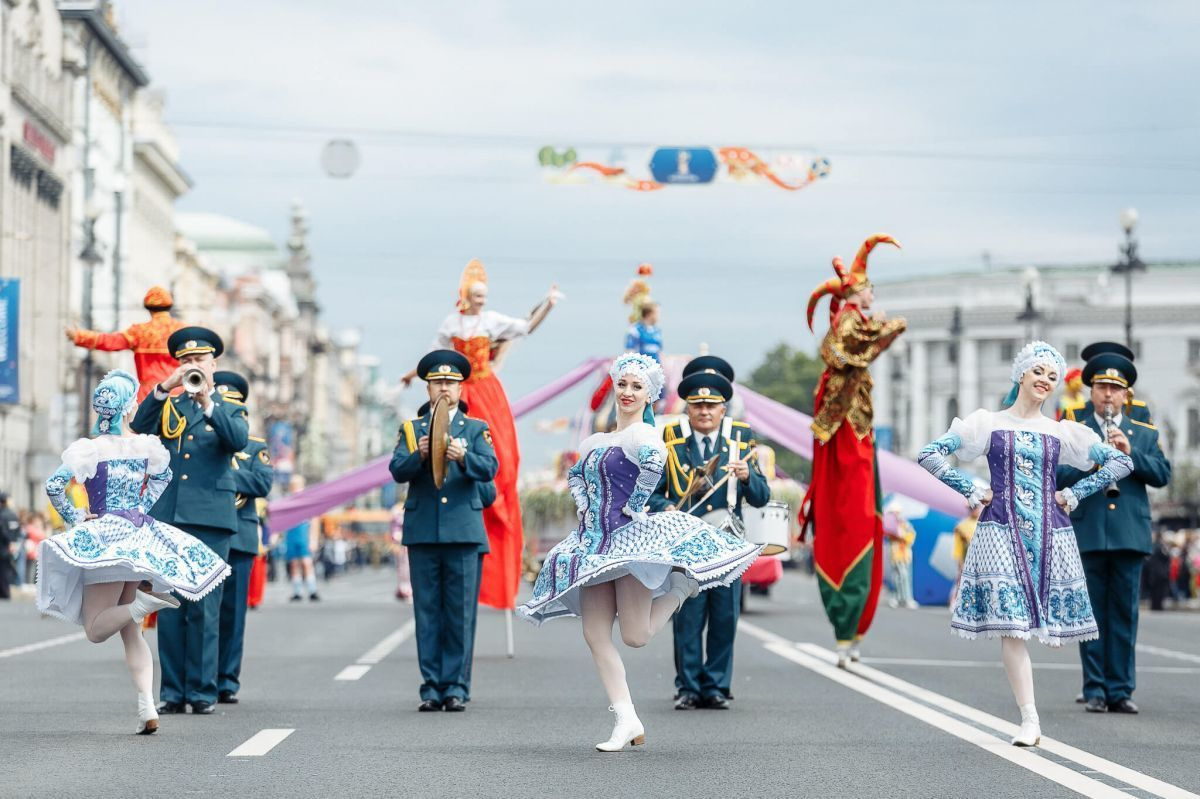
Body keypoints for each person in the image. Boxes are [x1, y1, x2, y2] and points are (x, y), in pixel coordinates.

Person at [519, 353, 762, 751]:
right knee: (594, 633)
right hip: (592, 544)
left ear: (650, 396)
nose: (628, 392)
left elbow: (654, 465)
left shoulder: (644, 436)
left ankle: (683, 588)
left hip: (626, 542)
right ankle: (626, 718)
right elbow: (578, 480)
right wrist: (584, 504)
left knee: (635, 635)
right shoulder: (595, 441)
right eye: (623, 384)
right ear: (614, 386)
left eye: (638, 387)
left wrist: (633, 505)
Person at [919, 341, 1132, 746]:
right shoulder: (986, 423)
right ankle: (1029, 719)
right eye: (1039, 373)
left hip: (1052, 536)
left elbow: (1122, 462)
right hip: (1000, 534)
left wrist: (1075, 494)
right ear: (1021, 374)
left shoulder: (1063, 431)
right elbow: (929, 453)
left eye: (1052, 377)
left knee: (1041, 631)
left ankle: (1036, 715)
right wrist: (970, 488)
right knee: (1013, 629)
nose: (1045, 382)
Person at [37, 369, 230, 733]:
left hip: (106, 537)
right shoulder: (146, 446)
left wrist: (77, 518)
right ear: (129, 408)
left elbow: (54, 485)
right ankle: (146, 708)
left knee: (96, 630)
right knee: (131, 632)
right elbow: (164, 477)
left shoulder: (91, 448)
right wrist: (141, 505)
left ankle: (142, 605)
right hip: (139, 537)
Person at [402, 259, 557, 612]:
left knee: (497, 448)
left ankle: (495, 488)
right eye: (476, 296)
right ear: (465, 296)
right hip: (461, 389)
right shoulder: (451, 323)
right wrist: (412, 374)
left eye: (484, 295)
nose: (481, 301)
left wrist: (546, 304)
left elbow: (526, 327)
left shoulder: (492, 321)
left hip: (486, 390)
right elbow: (434, 354)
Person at [801, 234, 907, 667]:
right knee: (850, 515)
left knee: (859, 516)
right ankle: (848, 629)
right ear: (851, 292)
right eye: (866, 289)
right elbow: (846, 349)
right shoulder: (847, 320)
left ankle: (852, 634)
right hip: (845, 429)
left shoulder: (850, 317)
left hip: (854, 428)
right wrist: (889, 326)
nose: (870, 294)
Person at [131, 326, 249, 715]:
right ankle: (173, 692)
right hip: (171, 518)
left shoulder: (228, 406)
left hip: (211, 519)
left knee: (203, 605)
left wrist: (208, 403)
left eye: (198, 361)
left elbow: (238, 440)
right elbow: (139, 425)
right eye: (185, 362)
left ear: (213, 364)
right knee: (171, 604)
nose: (192, 366)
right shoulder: (170, 405)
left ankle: (202, 691)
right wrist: (165, 388)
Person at [648, 356, 770, 711]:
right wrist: (665, 507)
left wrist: (747, 477)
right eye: (698, 405)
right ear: (688, 409)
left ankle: (716, 685)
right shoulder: (670, 443)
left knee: (724, 616)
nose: (704, 412)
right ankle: (687, 685)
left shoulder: (739, 442)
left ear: (723, 409)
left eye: (712, 406)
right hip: (685, 544)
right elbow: (653, 493)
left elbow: (761, 497)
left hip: (726, 544)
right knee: (687, 615)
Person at [1057, 345, 1171, 714]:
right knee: (1089, 614)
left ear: (1126, 394)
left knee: (1124, 614)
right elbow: (1057, 475)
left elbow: (1162, 475)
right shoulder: (1076, 430)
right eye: (1102, 387)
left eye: (1115, 389)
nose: (1109, 395)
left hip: (1128, 534)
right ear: (1091, 391)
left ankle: (1121, 689)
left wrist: (1130, 455)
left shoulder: (1142, 432)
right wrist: (1093, 459)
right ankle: (1094, 689)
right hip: (1089, 532)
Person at [390, 350, 499, 712]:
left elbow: (489, 470)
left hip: (464, 532)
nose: (444, 389)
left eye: (450, 383)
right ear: (427, 388)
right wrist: (419, 455)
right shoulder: (411, 429)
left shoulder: (476, 428)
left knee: (459, 613)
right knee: (427, 612)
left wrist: (462, 456)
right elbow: (397, 471)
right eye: (437, 383)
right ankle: (431, 686)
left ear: (460, 388)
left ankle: (456, 686)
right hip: (423, 532)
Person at [213, 371, 274, 705]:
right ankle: (204, 676)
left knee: (232, 615)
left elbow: (262, 484)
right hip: (208, 533)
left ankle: (227, 680)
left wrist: (224, 476)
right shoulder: (205, 445)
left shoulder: (255, 448)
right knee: (204, 612)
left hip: (239, 537)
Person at [65, 286, 187, 401]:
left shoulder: (139, 332)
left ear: (148, 308)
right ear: (169, 306)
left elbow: (110, 341)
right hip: (178, 394)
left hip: (149, 396)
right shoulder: (183, 330)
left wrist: (80, 336)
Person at [282, 476, 319, 601]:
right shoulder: (288, 500)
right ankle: (297, 591)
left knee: (306, 562)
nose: (295, 487)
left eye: (297, 484)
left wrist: (313, 539)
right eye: (293, 484)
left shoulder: (307, 499)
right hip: (292, 534)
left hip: (304, 534)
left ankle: (312, 590)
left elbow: (314, 520)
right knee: (293, 564)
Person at [884, 502, 917, 609]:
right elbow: (889, 535)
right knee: (899, 576)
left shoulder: (905, 524)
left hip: (906, 553)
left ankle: (906, 598)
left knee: (906, 575)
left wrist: (903, 537)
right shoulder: (890, 525)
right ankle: (897, 598)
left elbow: (911, 535)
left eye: (897, 512)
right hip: (896, 552)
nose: (896, 514)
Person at [951, 504, 982, 605]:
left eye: (976, 508)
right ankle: (955, 601)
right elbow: (958, 545)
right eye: (972, 509)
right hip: (966, 557)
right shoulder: (961, 526)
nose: (974, 511)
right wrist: (959, 560)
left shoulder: (983, 523)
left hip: (980, 558)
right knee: (961, 580)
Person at [0, 491, 18, 600]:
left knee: (3, 570)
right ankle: (5, 592)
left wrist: (9, 542)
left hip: (3, 545)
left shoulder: (2, 515)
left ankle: (4, 592)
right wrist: (14, 542)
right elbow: (17, 530)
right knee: (6, 568)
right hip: (11, 546)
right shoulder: (13, 515)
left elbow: (3, 531)